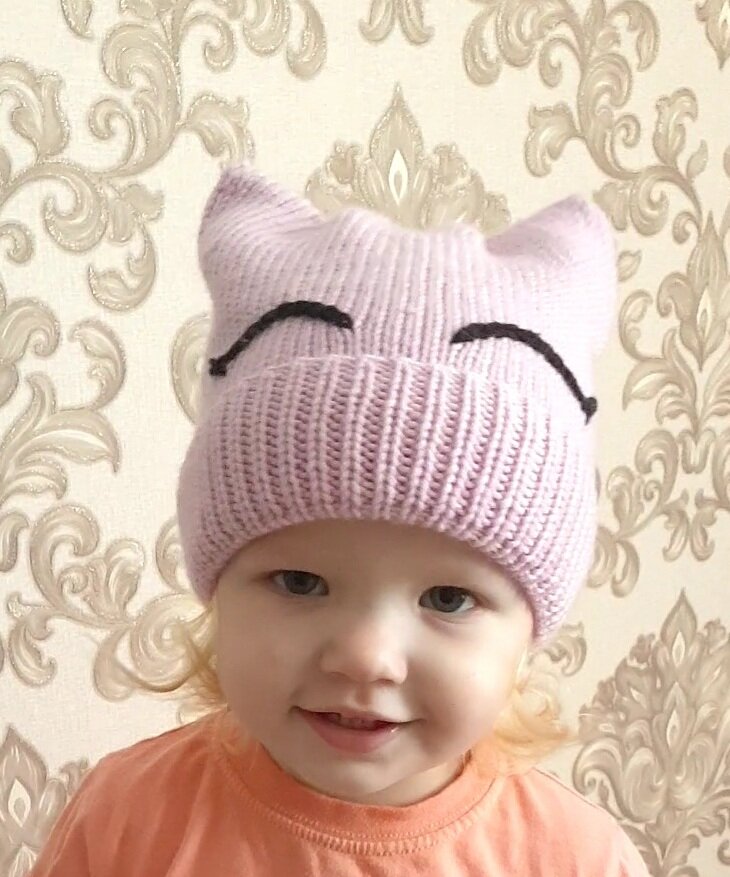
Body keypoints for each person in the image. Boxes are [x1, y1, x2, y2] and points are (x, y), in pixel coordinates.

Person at [29, 162, 651, 875]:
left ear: (528, 635)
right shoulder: (127, 817)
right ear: (216, 590)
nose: (365, 656)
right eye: (299, 582)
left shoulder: (577, 857)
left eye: (449, 598)